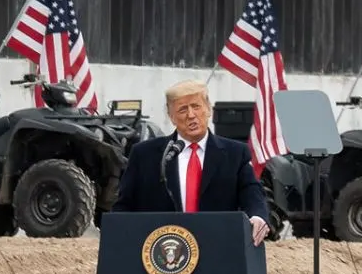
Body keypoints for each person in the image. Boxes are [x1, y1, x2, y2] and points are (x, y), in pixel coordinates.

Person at [111, 80, 270, 245]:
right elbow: (123, 206)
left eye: (196, 106)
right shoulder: (144, 155)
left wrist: (257, 217)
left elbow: (252, 193)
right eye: (182, 109)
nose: (191, 115)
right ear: (171, 117)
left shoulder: (236, 154)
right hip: (162, 251)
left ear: (208, 109)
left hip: (218, 247)